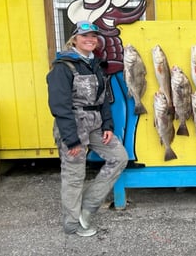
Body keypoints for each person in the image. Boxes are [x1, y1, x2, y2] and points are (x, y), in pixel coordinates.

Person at [46, 20, 128, 237]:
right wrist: (71, 139)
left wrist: (108, 125)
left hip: (96, 124)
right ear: (74, 39)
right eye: (85, 36)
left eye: (93, 36)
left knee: (119, 157)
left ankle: (88, 207)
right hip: (72, 125)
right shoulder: (63, 67)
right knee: (74, 174)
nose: (90, 39)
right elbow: (59, 106)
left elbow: (103, 101)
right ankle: (72, 224)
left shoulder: (96, 64)